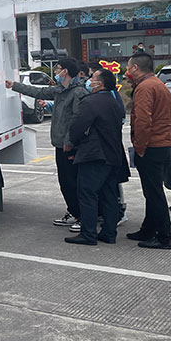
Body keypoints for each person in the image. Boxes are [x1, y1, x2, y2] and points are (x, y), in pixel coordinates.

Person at [6, 57, 88, 227]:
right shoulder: (59, 90)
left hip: (70, 146)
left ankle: (82, 216)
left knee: (73, 182)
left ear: (65, 71)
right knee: (64, 182)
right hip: (59, 144)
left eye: (58, 69)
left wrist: (69, 141)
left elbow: (78, 120)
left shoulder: (78, 92)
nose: (55, 72)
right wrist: (14, 85)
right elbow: (38, 92)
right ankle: (74, 212)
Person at [65, 69, 129, 245]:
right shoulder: (113, 101)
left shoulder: (91, 101)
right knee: (109, 195)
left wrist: (73, 143)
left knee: (87, 193)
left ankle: (88, 233)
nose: (88, 80)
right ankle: (109, 232)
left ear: (99, 83)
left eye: (92, 78)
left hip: (94, 154)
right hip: (112, 154)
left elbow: (77, 127)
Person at [124, 52, 171, 249]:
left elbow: (143, 121)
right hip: (162, 144)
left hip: (151, 146)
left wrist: (139, 147)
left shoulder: (145, 88)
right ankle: (148, 229)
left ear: (135, 67)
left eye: (128, 67)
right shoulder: (158, 84)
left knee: (154, 194)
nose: (127, 71)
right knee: (152, 191)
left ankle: (163, 237)